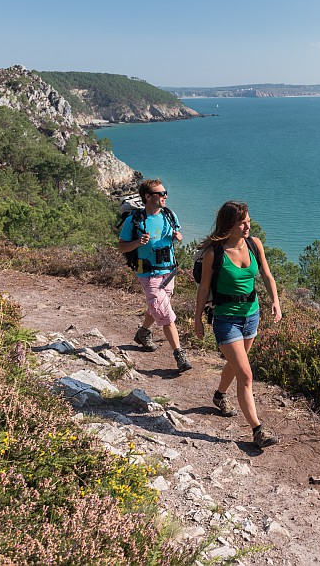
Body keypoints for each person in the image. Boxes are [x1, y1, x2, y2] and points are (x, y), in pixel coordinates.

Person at [194, 201, 282, 448]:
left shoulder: (254, 244)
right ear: (228, 225)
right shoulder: (215, 254)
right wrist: (197, 318)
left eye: (248, 221)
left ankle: (219, 396)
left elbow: (266, 274)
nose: (247, 226)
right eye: (242, 222)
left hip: (252, 315)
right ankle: (258, 430)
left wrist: (275, 301)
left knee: (235, 366)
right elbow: (203, 288)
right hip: (225, 320)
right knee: (245, 374)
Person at [118, 178, 192, 372]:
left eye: (165, 192)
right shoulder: (134, 221)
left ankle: (143, 332)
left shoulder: (169, 215)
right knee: (166, 314)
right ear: (148, 197)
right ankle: (179, 354)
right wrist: (137, 243)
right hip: (148, 273)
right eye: (161, 194)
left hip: (169, 270)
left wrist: (178, 237)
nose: (165, 196)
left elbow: (177, 234)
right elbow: (121, 246)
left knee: (158, 306)